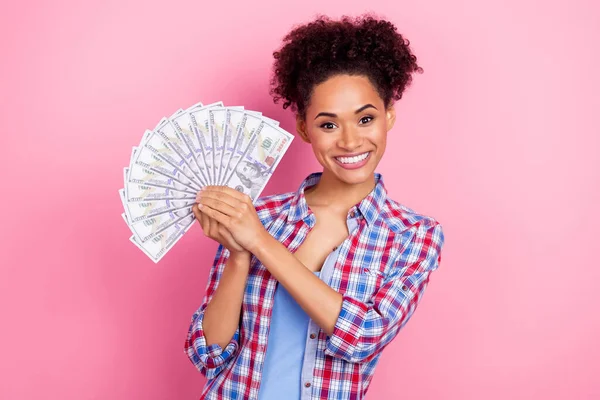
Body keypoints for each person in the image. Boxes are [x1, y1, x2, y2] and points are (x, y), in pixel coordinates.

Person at [185, 14, 446, 400]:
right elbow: (208, 353)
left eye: (366, 118)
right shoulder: (259, 216)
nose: (350, 141)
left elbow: (362, 338)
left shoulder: (413, 235)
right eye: (328, 125)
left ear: (388, 115)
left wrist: (260, 244)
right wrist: (239, 254)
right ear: (304, 128)